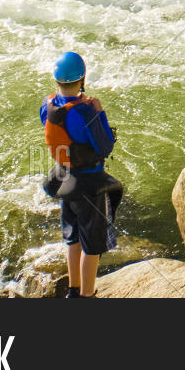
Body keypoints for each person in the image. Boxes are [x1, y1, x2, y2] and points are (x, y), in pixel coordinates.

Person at [40, 51, 122, 298]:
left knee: (72, 237)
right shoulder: (87, 112)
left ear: (57, 81)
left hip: (65, 180)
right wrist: (99, 112)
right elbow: (105, 146)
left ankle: (73, 291)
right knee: (93, 246)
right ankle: (88, 295)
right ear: (82, 78)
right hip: (89, 184)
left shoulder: (48, 105)